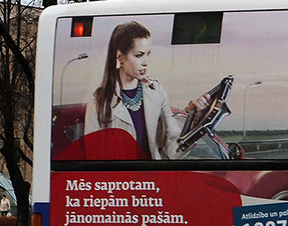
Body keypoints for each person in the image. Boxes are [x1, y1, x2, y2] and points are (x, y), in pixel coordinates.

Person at [83, 21, 211, 160]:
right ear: (120, 57)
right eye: (139, 55)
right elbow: (92, 157)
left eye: (148, 54)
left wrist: (196, 122)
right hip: (119, 181)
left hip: (152, 180)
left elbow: (174, 151)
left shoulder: (156, 92)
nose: (145, 62)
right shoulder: (99, 100)